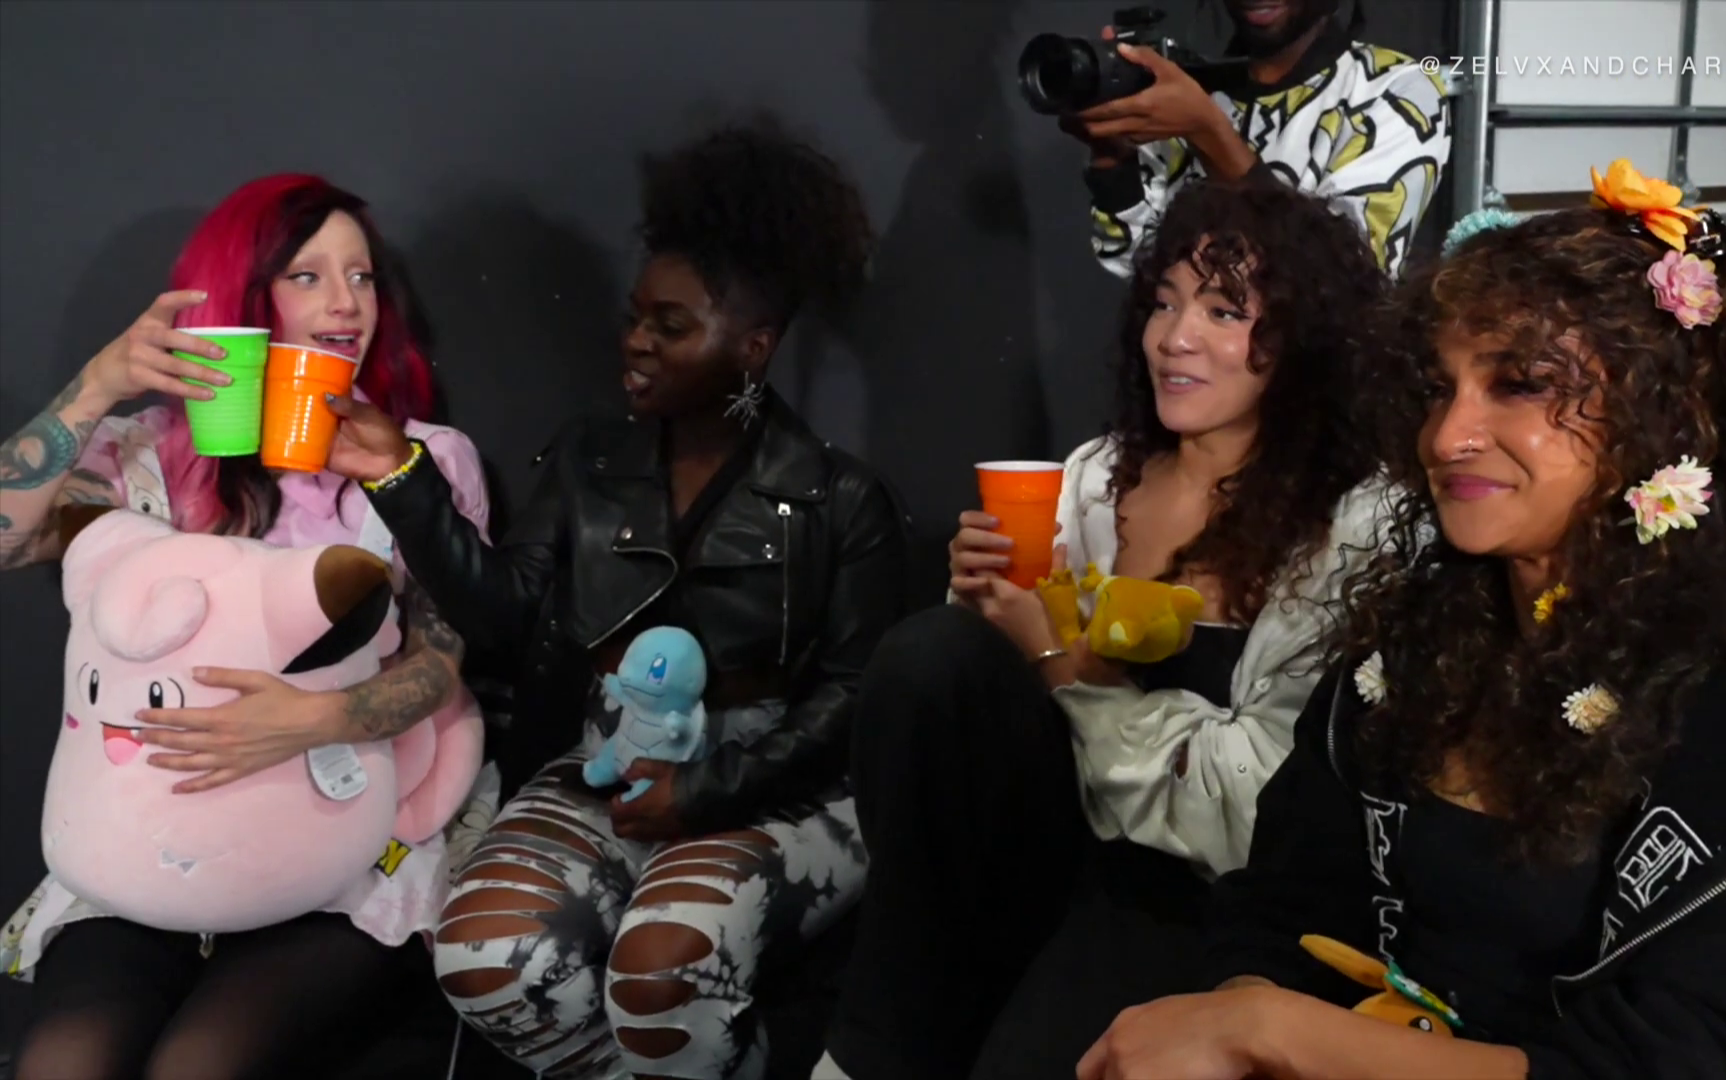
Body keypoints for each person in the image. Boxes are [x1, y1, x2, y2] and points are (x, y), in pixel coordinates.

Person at [1080, 162, 1726, 1079]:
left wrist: (1275, 1033)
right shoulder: (1413, 651)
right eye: (1440, 389)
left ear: (1676, 416)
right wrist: (1244, 1011)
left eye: (1521, 383)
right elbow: (1284, 902)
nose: (1448, 437)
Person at [330, 117, 908, 1080]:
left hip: (780, 783)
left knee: (662, 972)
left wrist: (711, 789)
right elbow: (506, 618)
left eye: (671, 327)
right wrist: (402, 479)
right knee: (483, 956)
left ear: (754, 346)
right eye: (636, 316)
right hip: (608, 764)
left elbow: (854, 700)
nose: (636, 342)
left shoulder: (840, 498)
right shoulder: (589, 459)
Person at [819, 177, 1396, 1080]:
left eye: (1222, 311)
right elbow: (968, 734)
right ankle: (875, 1051)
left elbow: (1255, 816)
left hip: (1195, 892)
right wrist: (984, 606)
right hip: (1041, 852)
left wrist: (1060, 662)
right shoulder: (1095, 477)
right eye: (1163, 302)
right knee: (933, 656)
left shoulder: (1353, 525)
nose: (1175, 337)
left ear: (1304, 339)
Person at [1, 174, 490, 1079]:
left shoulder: (419, 458)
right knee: (64, 1065)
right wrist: (97, 385)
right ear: (243, 297)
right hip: (150, 840)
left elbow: (445, 657)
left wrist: (317, 719)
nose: (347, 303)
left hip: (336, 852)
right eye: (307, 276)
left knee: (200, 1066)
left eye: (362, 276)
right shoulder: (149, 454)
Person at [1065, 0, 1450, 279]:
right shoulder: (1185, 86)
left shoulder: (1395, 90)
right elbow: (1137, 264)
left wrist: (1208, 132)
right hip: (1188, 361)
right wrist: (1112, 156)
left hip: (1315, 369)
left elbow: (1344, 278)